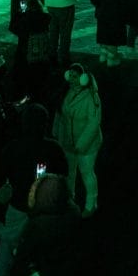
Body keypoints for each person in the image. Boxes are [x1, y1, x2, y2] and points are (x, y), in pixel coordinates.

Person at [0, 103, 67, 276]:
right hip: (43, 209)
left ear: (23, 123)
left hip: (17, 206)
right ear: (45, 124)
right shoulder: (53, 148)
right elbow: (63, 174)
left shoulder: (12, 148)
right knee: (38, 244)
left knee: (8, 245)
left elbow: (0, 176)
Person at [52, 64, 104, 215]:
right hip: (68, 143)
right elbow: (60, 114)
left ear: (83, 78)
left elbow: (94, 124)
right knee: (69, 172)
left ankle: (91, 203)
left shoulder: (92, 97)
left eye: (76, 76)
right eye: (71, 76)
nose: (72, 79)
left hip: (87, 146)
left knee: (87, 172)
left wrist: (81, 144)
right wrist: (56, 132)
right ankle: (69, 198)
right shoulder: (66, 92)